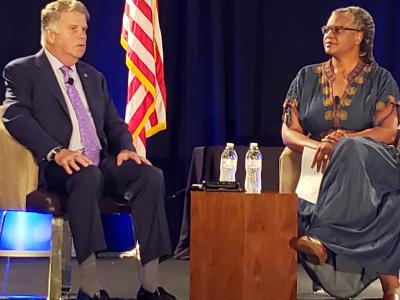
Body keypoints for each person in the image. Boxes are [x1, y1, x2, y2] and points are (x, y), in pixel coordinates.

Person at [2, 1, 177, 300]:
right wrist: (56, 151)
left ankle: (150, 286)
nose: (82, 35)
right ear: (50, 33)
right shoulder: (23, 70)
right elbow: (14, 114)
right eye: (73, 28)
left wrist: (125, 148)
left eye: (84, 29)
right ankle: (90, 286)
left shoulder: (93, 77)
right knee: (87, 176)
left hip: (100, 162)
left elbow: (114, 122)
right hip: (60, 167)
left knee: (150, 176)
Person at [281, 6, 400, 300]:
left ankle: (322, 236)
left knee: (351, 148)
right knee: (390, 204)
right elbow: (288, 132)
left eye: (337, 29)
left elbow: (389, 132)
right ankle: (391, 287)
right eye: (327, 29)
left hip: (375, 161)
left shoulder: (380, 78)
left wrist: (347, 140)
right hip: (322, 165)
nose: (329, 35)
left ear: (359, 36)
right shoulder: (306, 77)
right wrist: (319, 145)